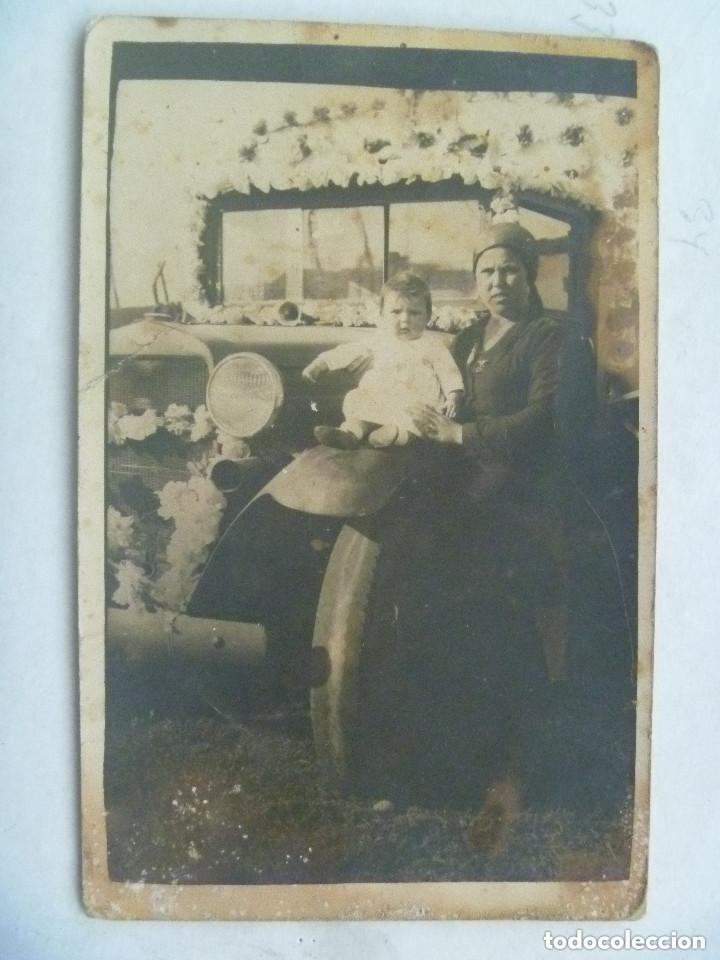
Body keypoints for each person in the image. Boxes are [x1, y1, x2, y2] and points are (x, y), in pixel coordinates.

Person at [407, 221, 565, 853]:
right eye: (487, 272)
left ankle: (518, 765)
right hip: (472, 492)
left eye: (510, 271)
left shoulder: (550, 339)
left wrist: (462, 436)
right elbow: (451, 399)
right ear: (475, 282)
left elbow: (542, 422)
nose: (498, 282)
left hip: (524, 497)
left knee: (502, 623)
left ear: (529, 277)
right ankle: (456, 755)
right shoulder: (471, 339)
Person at [302, 272, 464, 449]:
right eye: (396, 312)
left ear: (427, 316)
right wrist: (321, 363)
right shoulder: (379, 339)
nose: (405, 319)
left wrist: (453, 395)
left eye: (415, 313)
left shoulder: (433, 345)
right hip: (383, 401)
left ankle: (398, 436)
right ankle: (351, 432)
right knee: (355, 398)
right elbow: (349, 351)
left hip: (417, 403)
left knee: (419, 419)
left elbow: (448, 371)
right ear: (381, 314)